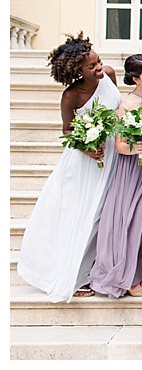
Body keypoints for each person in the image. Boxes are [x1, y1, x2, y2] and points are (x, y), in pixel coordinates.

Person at [17, 32, 121, 302]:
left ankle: (95, 270)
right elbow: (67, 131)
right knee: (78, 215)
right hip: (82, 162)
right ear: (77, 70)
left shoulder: (109, 75)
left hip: (111, 155)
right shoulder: (71, 96)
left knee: (101, 215)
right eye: (92, 66)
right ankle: (73, 275)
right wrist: (87, 147)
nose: (99, 68)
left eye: (98, 62)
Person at [89, 54, 142, 298]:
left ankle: (140, 275)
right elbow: (121, 145)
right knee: (131, 221)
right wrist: (138, 146)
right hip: (134, 168)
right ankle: (128, 278)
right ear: (136, 78)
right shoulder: (128, 104)